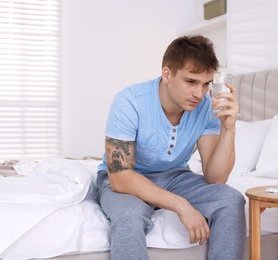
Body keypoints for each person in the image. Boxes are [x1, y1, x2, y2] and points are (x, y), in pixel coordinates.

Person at [96, 35, 246, 260]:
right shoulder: (129, 101)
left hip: (176, 177)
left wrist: (229, 127)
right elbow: (119, 177)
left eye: (206, 84)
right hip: (128, 179)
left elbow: (216, 178)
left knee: (231, 199)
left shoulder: (207, 106)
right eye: (191, 82)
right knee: (129, 216)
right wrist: (180, 205)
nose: (199, 94)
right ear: (167, 74)